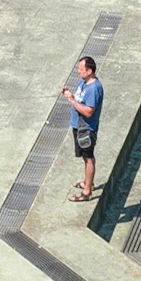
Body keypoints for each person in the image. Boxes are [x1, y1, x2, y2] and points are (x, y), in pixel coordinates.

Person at [59, 56, 105, 202]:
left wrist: (71, 100)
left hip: (87, 129)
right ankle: (88, 182)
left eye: (81, 69)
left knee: (88, 158)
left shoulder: (94, 88)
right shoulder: (84, 83)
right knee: (85, 157)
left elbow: (88, 111)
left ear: (89, 70)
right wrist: (70, 95)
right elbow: (80, 99)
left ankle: (87, 192)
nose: (78, 72)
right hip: (78, 126)